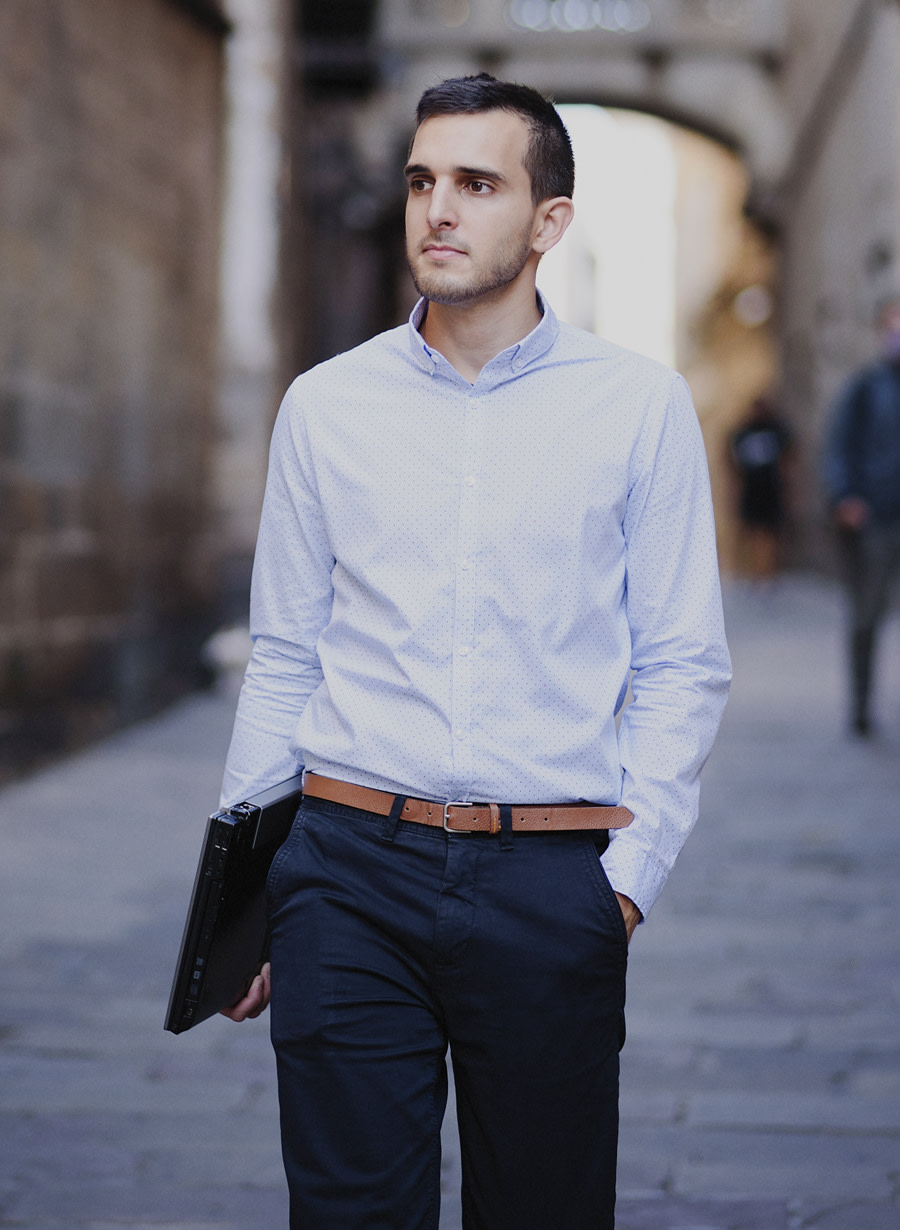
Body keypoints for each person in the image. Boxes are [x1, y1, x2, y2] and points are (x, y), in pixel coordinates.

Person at [219, 73, 731, 1230]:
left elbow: (681, 662)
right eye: (421, 181)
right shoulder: (325, 406)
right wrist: (247, 895)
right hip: (345, 872)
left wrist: (626, 889)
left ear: (548, 222)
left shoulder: (639, 407)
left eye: (476, 183)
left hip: (551, 881)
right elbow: (286, 655)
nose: (436, 210)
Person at [823, 297, 900, 737]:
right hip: (874, 519)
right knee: (867, 616)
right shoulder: (866, 387)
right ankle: (861, 705)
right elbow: (838, 447)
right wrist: (845, 496)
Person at [729, 394, 793, 583]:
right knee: (751, 532)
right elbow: (732, 461)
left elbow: (789, 458)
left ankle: (770, 572)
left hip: (773, 489)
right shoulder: (743, 432)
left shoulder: (778, 430)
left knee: (772, 532)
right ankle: (754, 573)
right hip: (751, 489)